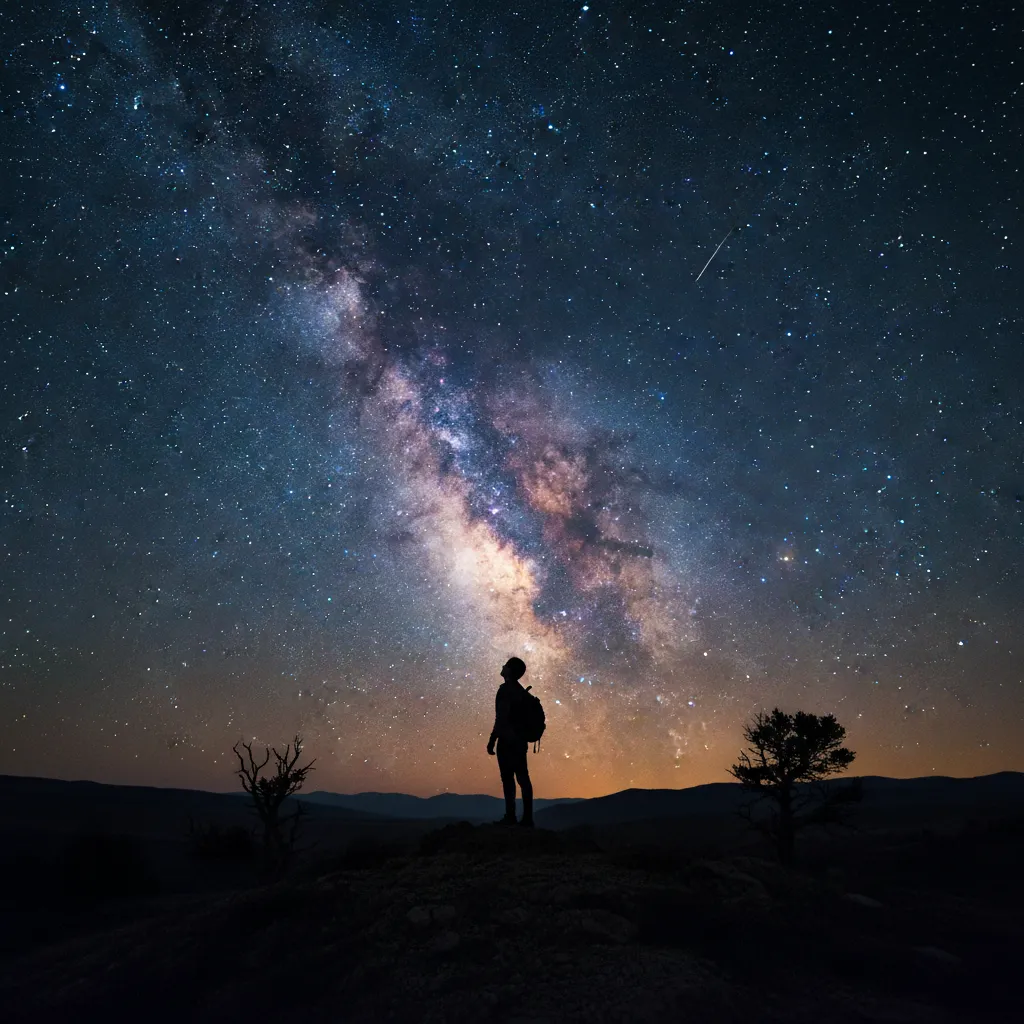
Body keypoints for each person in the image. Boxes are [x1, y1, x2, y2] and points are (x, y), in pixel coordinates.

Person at [486, 656, 534, 827]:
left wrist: (492, 740)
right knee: (523, 778)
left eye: (505, 666)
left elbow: (501, 718)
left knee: (508, 779)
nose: (502, 667)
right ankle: (527, 819)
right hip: (520, 742)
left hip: (507, 741)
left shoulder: (505, 690)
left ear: (510, 671)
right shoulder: (520, 691)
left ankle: (511, 817)